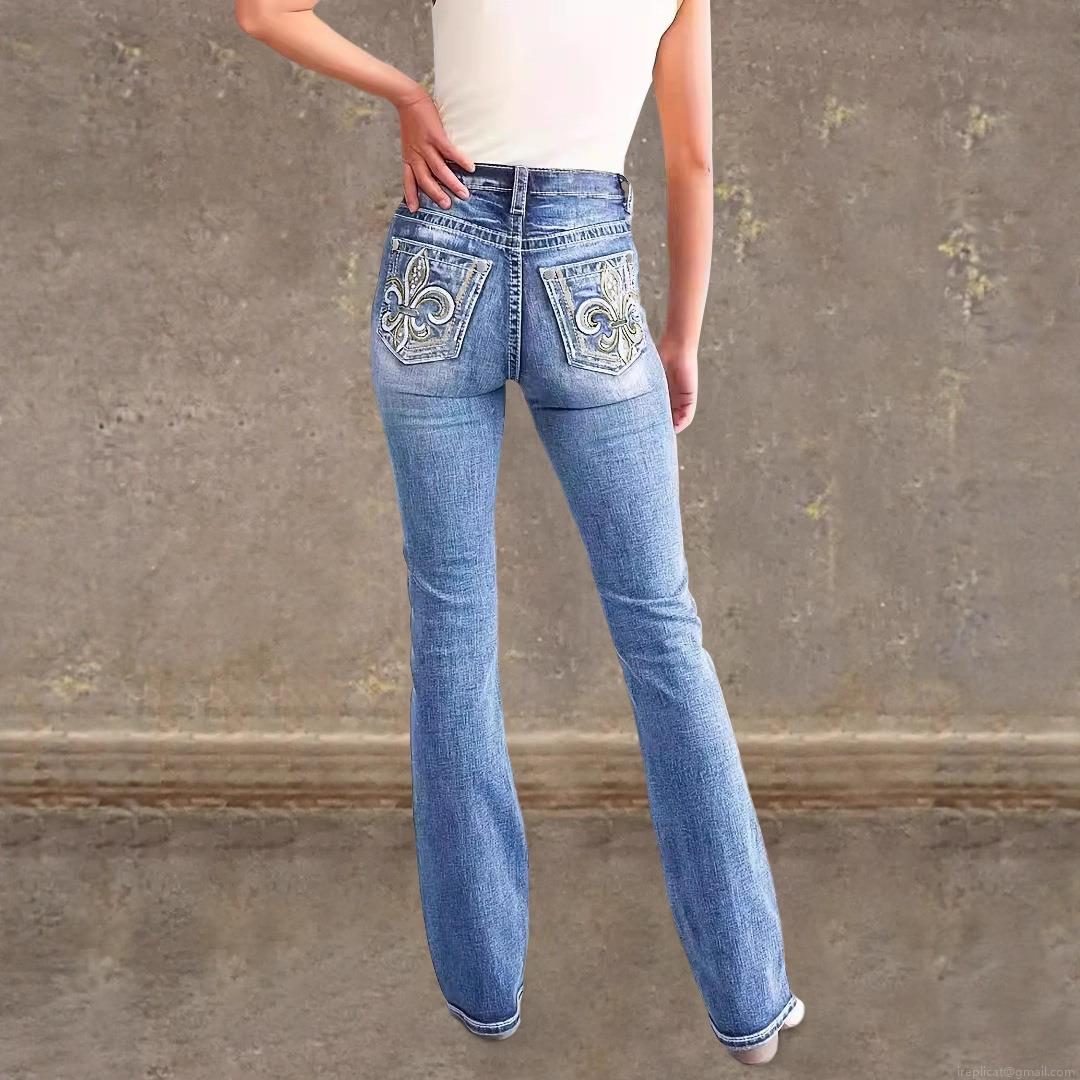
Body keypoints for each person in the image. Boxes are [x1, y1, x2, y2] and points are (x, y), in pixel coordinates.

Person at [235, 0, 804, 1064]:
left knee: (451, 633)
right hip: (588, 274)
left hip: (439, 249)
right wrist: (679, 339)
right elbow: (691, 161)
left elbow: (265, 12)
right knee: (662, 634)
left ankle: (482, 994)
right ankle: (750, 1007)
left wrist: (406, 94)